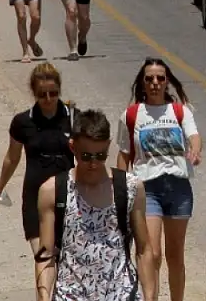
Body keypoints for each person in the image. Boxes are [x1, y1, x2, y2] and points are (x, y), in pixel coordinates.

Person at [34, 108, 157, 301]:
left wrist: (150, 297)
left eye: (100, 156)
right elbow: (46, 255)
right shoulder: (53, 191)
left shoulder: (130, 187)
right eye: (86, 156)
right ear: (72, 147)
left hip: (122, 294)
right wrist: (43, 296)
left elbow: (144, 249)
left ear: (108, 146)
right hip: (70, 295)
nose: (93, 163)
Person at [0, 63, 74, 297]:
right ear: (33, 93)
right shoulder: (22, 122)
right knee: (44, 255)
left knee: (67, 262)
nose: (48, 98)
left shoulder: (74, 119)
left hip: (69, 197)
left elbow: (91, 157)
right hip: (35, 198)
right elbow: (11, 159)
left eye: (53, 93)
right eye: (42, 94)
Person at [116, 59, 201, 301]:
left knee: (175, 254)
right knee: (151, 253)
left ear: (167, 81)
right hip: (146, 189)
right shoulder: (131, 115)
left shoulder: (180, 111)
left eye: (160, 78)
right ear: (142, 83)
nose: (155, 83)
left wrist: (194, 151)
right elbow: (123, 155)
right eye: (150, 78)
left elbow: (194, 136)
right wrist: (120, 193)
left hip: (178, 187)